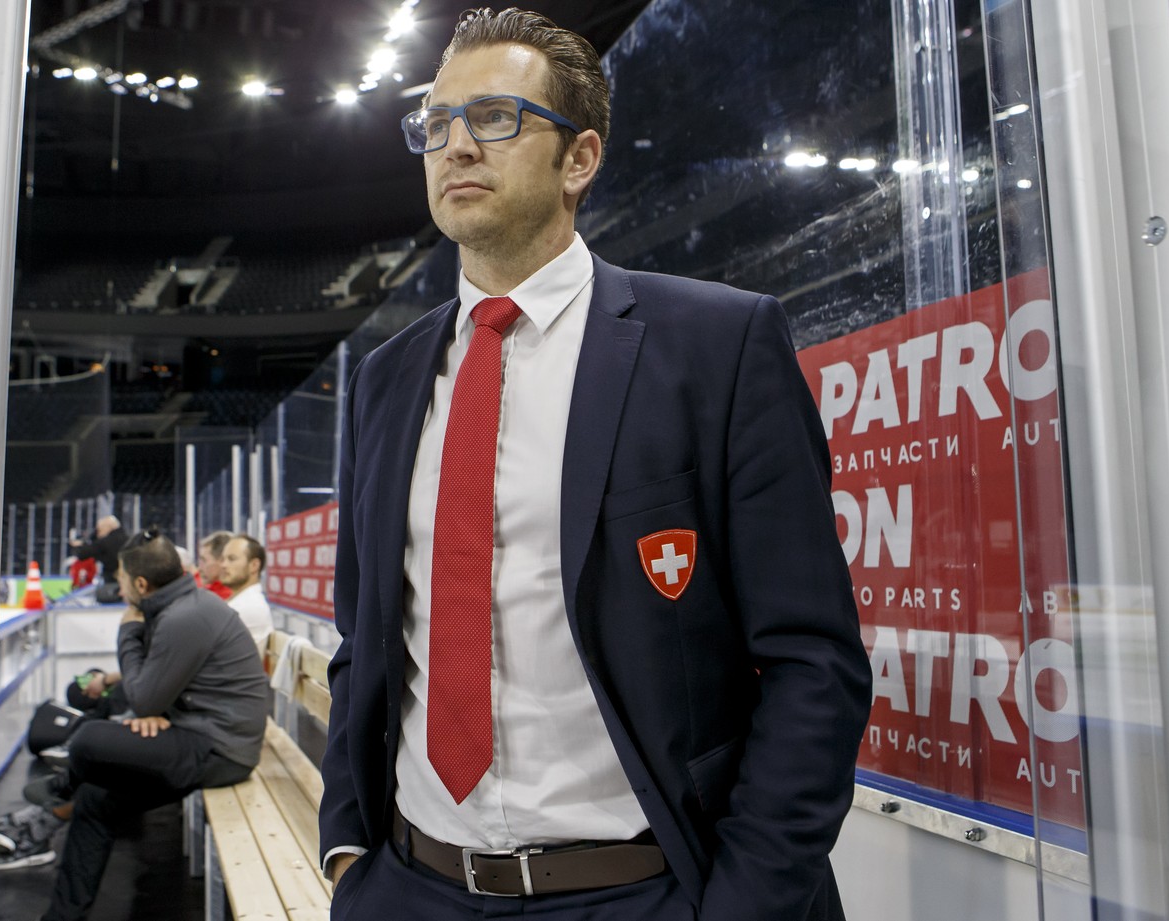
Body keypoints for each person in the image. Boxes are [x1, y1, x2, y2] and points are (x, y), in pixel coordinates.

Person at [319, 9, 872, 921]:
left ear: (579, 160)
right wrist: (349, 852)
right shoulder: (387, 381)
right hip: (412, 888)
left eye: (494, 117)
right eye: (436, 123)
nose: (456, 144)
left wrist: (745, 901)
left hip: (640, 890)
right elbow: (364, 640)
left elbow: (814, 659)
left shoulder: (718, 344)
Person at [0, 530, 268, 921]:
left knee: (88, 740)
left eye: (120, 579)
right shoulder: (182, 607)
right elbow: (150, 693)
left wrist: (128, 630)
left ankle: (59, 788)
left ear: (141, 584)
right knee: (94, 799)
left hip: (220, 750)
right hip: (199, 733)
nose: (118, 589)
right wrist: (153, 706)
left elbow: (142, 696)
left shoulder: (184, 616)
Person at [219, 534, 272, 654]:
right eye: (223, 559)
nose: (223, 565)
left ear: (254, 565)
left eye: (231, 559)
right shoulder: (240, 601)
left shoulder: (249, 606)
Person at [69, 515, 129, 603]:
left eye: (99, 530)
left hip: (112, 582)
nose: (98, 533)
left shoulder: (106, 542)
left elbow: (84, 554)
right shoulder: (127, 539)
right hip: (128, 582)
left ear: (107, 527)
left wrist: (82, 544)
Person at [195, 530, 233, 600]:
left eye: (204, 560)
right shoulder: (205, 590)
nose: (199, 568)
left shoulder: (226, 598)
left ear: (222, 561)